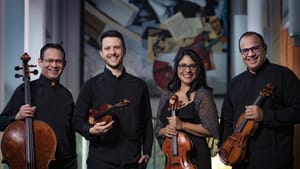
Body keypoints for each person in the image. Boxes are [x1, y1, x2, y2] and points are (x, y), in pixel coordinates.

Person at [72, 30, 153, 169]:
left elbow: (146, 122)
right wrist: (90, 130)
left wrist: (147, 151)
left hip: (133, 162)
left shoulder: (139, 86)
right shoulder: (91, 85)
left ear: (124, 50)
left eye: (116, 47)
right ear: (101, 53)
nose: (112, 52)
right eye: (107, 48)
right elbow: (76, 120)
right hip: (100, 162)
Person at [219, 31, 300, 169]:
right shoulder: (235, 83)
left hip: (274, 162)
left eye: (255, 48)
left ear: (265, 48)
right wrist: (223, 147)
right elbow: (227, 120)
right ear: (241, 54)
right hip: (240, 161)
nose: (250, 54)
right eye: (245, 50)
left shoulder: (284, 76)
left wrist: (265, 116)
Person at [0, 43, 77, 169]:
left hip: (65, 165)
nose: (54, 65)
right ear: (40, 62)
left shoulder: (66, 95)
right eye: (50, 60)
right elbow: (1, 122)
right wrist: (17, 116)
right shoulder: (25, 90)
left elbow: (70, 133)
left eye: (58, 61)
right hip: (34, 163)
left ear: (64, 63)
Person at [154, 48, 219, 169]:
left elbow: (212, 129)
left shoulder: (202, 95)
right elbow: (158, 128)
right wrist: (165, 130)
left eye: (192, 66)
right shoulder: (167, 94)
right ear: (176, 68)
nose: (187, 70)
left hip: (196, 159)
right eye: (183, 65)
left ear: (198, 69)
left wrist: (183, 125)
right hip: (173, 159)